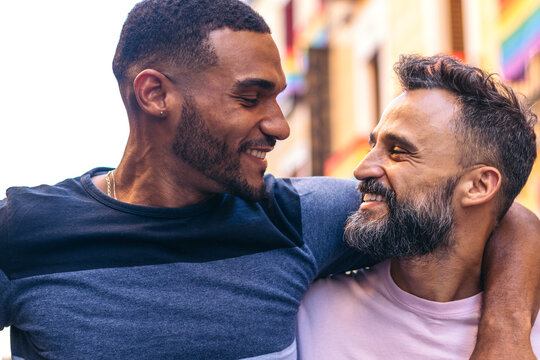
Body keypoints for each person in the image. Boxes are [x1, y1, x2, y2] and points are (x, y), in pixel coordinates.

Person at [0, 1, 538, 358]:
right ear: (154, 94)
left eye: (279, 97)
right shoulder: (24, 231)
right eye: (250, 97)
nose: (278, 125)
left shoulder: (297, 217)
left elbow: (492, 211)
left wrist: (507, 334)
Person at [297, 54, 540, 359]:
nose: (361, 169)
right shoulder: (309, 315)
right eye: (374, 146)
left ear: (479, 186)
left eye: (397, 152)